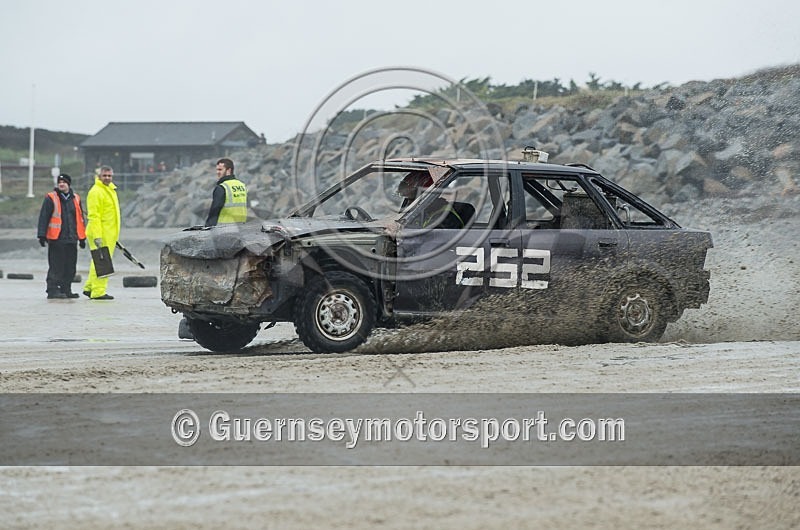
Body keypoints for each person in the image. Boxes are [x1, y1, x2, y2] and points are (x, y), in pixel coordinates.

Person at [36, 173, 87, 299]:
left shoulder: (76, 198)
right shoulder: (51, 198)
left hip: (71, 238)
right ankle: (52, 290)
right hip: (56, 239)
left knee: (70, 267)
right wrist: (42, 235)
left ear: (69, 184)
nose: (61, 184)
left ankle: (66, 289)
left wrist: (82, 238)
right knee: (56, 266)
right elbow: (44, 217)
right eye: (59, 182)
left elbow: (80, 219)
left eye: (64, 182)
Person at [82, 165, 121, 300]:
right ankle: (98, 292)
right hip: (100, 233)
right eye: (104, 175)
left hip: (109, 233)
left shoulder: (110, 190)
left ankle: (89, 288)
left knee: (97, 261)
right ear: (99, 176)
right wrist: (98, 236)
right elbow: (94, 216)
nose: (107, 178)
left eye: (109, 175)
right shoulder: (96, 192)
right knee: (103, 263)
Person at [205, 158, 247, 226]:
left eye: (220, 170)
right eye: (217, 169)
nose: (217, 172)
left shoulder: (222, 188)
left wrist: (208, 227)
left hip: (224, 228)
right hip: (240, 226)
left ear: (228, 170)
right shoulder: (242, 185)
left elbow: (215, 211)